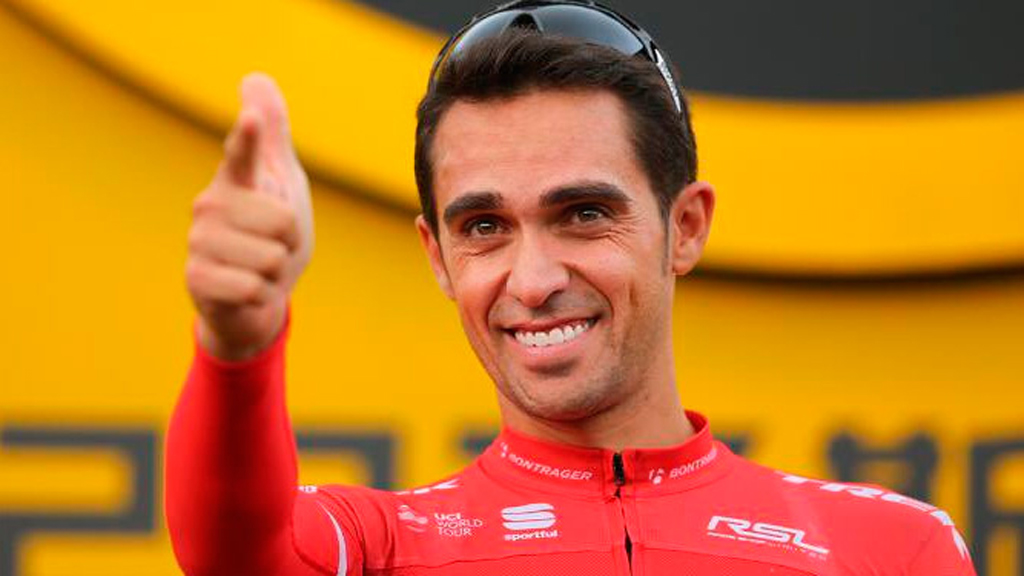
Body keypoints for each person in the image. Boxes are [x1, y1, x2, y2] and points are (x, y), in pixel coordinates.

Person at [166, 2, 977, 575]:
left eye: (584, 214)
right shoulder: (380, 547)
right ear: (437, 256)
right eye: (484, 226)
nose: (534, 280)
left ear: (685, 227)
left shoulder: (889, 550)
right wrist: (238, 341)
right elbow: (234, 551)